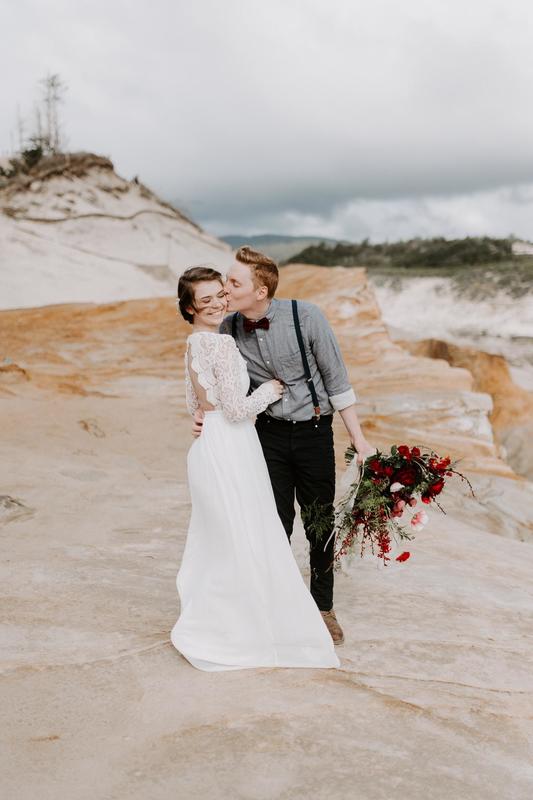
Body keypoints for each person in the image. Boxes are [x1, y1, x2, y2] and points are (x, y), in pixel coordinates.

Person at [192, 247, 374, 646]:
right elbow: (212, 380)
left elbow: (338, 381)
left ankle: (322, 608)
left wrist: (359, 438)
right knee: (272, 524)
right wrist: (205, 413)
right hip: (266, 436)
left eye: (234, 282)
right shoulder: (226, 329)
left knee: (319, 523)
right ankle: (277, 607)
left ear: (261, 291)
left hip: (313, 434)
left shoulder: (306, 317)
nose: (226, 288)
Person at [170, 265, 340, 671]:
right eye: (205, 300)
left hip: (213, 443)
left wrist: (202, 419)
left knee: (223, 536)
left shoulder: (196, 343)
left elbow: (196, 404)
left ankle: (229, 615)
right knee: (247, 530)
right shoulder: (218, 344)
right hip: (232, 442)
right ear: (189, 307)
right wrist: (271, 390)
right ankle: (252, 622)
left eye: (219, 295)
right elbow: (234, 408)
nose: (216, 303)